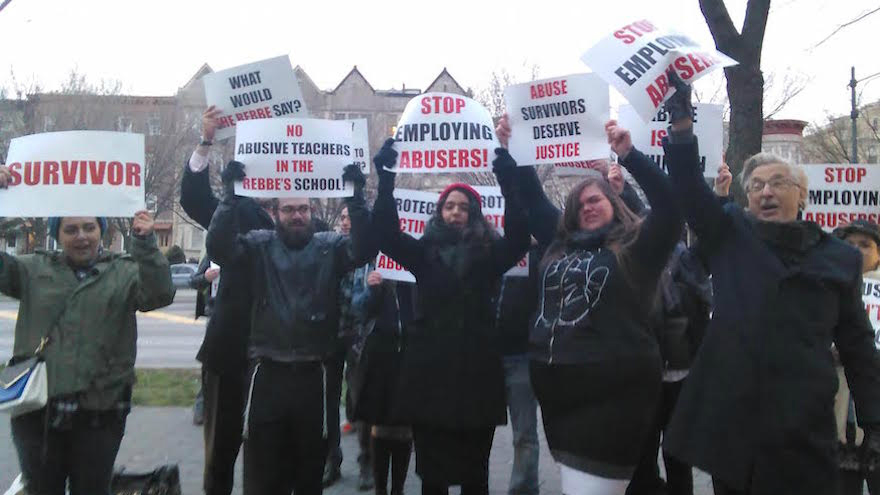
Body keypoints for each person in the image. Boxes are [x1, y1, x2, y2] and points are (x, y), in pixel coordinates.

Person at [660, 70, 880, 495]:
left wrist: (874, 420)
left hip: (804, 429)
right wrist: (683, 126)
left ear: (802, 196)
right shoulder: (730, 234)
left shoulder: (841, 259)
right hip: (736, 428)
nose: (765, 192)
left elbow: (857, 345)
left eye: (778, 183)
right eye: (756, 186)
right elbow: (688, 190)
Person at [497, 112, 683, 494]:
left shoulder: (635, 249)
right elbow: (532, 198)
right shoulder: (559, 244)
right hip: (560, 400)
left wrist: (629, 155)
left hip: (613, 400)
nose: (587, 207)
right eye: (579, 204)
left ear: (614, 202)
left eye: (595, 199)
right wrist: (514, 148)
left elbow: (669, 208)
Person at [0, 165, 174, 495]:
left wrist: (145, 243)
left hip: (101, 412)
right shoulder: (32, 269)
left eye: (89, 227)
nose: (81, 236)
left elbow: (159, 294)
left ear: (101, 231)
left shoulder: (124, 271)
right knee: (41, 489)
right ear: (58, 235)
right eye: (71, 229)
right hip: (38, 413)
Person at [206, 160, 375, 495]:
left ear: (311, 211)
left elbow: (365, 248)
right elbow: (220, 248)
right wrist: (229, 197)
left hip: (313, 375)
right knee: (261, 471)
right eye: (288, 210)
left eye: (303, 209)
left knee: (309, 471)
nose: (297, 216)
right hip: (266, 373)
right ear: (275, 212)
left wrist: (356, 198)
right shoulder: (259, 245)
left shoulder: (330, 246)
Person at [371, 138, 529, 495]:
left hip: (477, 377)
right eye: (449, 206)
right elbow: (386, 235)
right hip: (431, 379)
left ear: (474, 213)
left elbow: (519, 239)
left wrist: (508, 180)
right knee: (433, 476)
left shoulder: (489, 254)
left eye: (463, 207)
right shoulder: (424, 253)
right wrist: (385, 178)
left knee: (476, 475)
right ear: (439, 212)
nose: (455, 212)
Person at [179, 106, 276, 495]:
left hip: (281, 361)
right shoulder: (240, 210)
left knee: (267, 458)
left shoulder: (306, 219)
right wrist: (205, 142)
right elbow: (195, 197)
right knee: (221, 453)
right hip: (231, 354)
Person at [626, 241, 712, 495]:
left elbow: (701, 319)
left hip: (680, 378)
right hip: (644, 381)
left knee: (677, 458)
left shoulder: (688, 264)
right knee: (642, 458)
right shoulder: (635, 265)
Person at [352, 271, 418, 495]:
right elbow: (357, 308)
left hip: (409, 351)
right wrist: (372, 288)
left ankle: (397, 488)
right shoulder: (369, 265)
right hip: (379, 353)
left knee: (405, 425)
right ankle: (380, 487)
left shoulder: (414, 259)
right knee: (379, 424)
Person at [324, 206, 375, 490]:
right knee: (328, 401)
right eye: (342, 217)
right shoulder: (328, 249)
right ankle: (332, 460)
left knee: (362, 399)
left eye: (350, 217)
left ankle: (367, 462)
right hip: (330, 334)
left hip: (361, 336)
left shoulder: (373, 254)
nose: (345, 222)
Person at [832, 219, 880, 494]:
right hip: (838, 421)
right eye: (849, 245)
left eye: (865, 245)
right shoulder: (824, 290)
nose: (856, 250)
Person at [492, 242, 541, 495]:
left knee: (524, 433)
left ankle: (523, 489)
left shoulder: (536, 255)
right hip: (486, 356)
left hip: (522, 354)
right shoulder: (489, 252)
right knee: (479, 429)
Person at [189, 255, 221, 426]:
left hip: (243, 314)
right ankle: (201, 407)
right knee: (210, 362)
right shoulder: (212, 255)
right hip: (216, 313)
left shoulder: (250, 247)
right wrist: (206, 277)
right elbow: (193, 281)